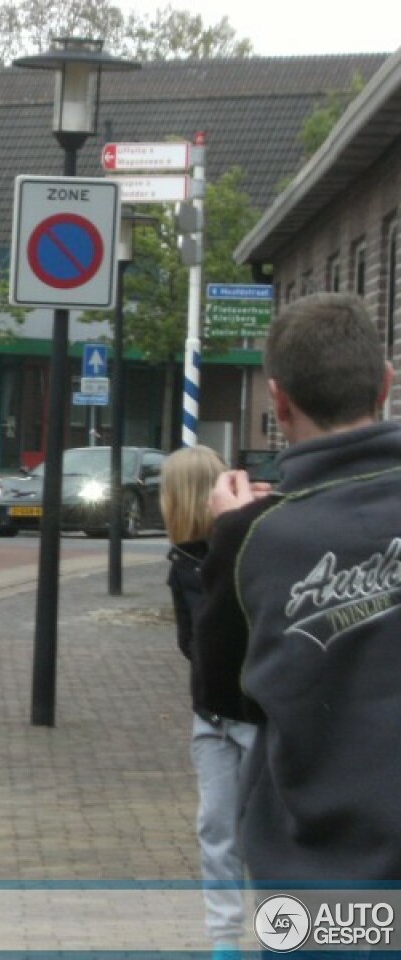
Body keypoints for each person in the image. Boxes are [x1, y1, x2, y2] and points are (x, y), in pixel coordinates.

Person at [195, 292, 400, 883]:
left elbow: (223, 696)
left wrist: (223, 539)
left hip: (315, 879)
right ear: (385, 385)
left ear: (279, 403)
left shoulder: (254, 538)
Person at [162, 445, 262, 960]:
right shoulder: (180, 561)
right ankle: (224, 940)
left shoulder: (248, 549)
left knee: (262, 832)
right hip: (212, 717)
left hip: (255, 716)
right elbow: (189, 639)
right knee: (214, 826)